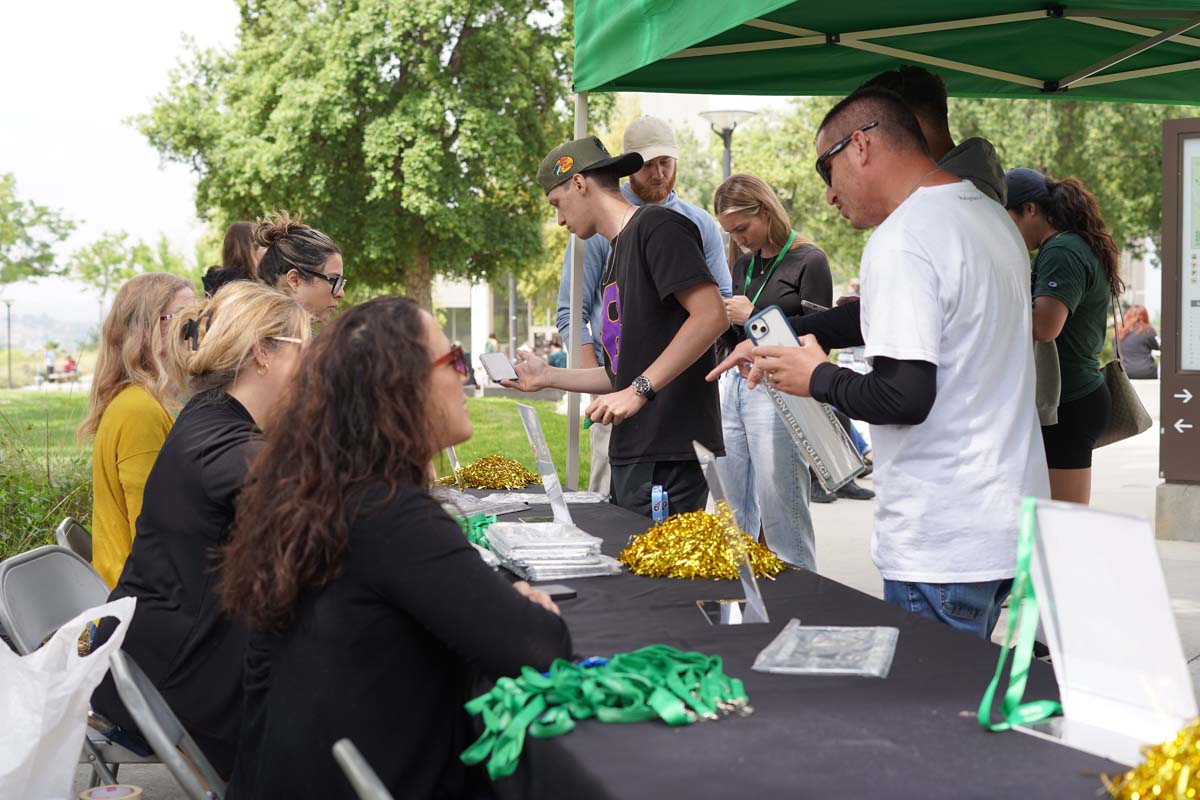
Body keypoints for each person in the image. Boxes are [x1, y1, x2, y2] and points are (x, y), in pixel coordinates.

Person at [710, 88, 1049, 639]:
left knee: (932, 715)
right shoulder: (987, 217)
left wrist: (814, 377)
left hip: (942, 540)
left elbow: (903, 398)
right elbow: (880, 316)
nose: (826, 194)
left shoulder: (902, 238)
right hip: (1006, 522)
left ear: (860, 146)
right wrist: (781, 334)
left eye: (828, 168)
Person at [220, 297, 571, 798]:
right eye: (452, 360)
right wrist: (525, 606)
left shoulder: (322, 496)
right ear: (401, 391)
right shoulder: (390, 516)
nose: (466, 375)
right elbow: (542, 647)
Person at [89, 281, 311, 776]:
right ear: (262, 354)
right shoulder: (222, 445)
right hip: (183, 675)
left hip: (168, 653)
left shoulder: (209, 416)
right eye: (306, 349)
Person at [510, 136, 727, 517]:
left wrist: (640, 389)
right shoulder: (615, 251)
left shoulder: (658, 226)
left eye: (557, 204)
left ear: (579, 183)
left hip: (669, 451)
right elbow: (619, 374)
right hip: (634, 451)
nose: (559, 220)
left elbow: (711, 315)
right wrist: (548, 376)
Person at [712, 173, 831, 570]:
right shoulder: (743, 264)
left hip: (779, 388)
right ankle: (739, 601)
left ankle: (800, 598)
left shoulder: (810, 260)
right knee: (731, 510)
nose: (739, 239)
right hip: (735, 385)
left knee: (782, 509)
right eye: (731, 232)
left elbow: (818, 343)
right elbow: (731, 336)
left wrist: (754, 318)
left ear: (765, 210)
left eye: (742, 228)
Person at [1005, 168, 1122, 504]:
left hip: (1068, 403)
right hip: (1071, 399)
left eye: (1007, 219)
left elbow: (1045, 326)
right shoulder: (1072, 244)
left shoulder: (1061, 251)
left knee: (1064, 525)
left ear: (1030, 209)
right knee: (1054, 524)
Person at [77, 272, 195, 588]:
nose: (198, 332)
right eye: (186, 319)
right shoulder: (139, 411)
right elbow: (153, 538)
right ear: (146, 330)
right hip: (135, 604)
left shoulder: (154, 403)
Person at [861, 65, 1006, 205]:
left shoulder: (946, 202)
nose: (866, 152)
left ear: (912, 127)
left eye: (873, 136)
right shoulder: (967, 193)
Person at [254, 212, 346, 323]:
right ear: (294, 280)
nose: (341, 293)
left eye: (340, 282)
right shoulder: (257, 338)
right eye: (333, 281)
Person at [202, 220, 267, 296]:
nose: (266, 251)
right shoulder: (241, 284)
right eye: (262, 246)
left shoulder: (217, 281)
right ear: (250, 250)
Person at [1120, 304, 1159, 379]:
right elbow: (1157, 347)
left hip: (1123, 372)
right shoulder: (1148, 331)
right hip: (1146, 372)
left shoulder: (1119, 331)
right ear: (1145, 317)